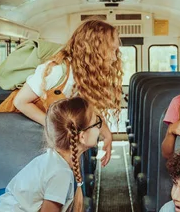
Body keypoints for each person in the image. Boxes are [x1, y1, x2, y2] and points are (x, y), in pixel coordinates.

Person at [12, 19, 123, 166]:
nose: (114, 57)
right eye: (111, 50)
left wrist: (107, 134)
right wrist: (55, 126)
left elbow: (89, 107)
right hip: (29, 137)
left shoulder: (84, 74)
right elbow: (20, 101)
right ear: (95, 50)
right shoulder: (57, 71)